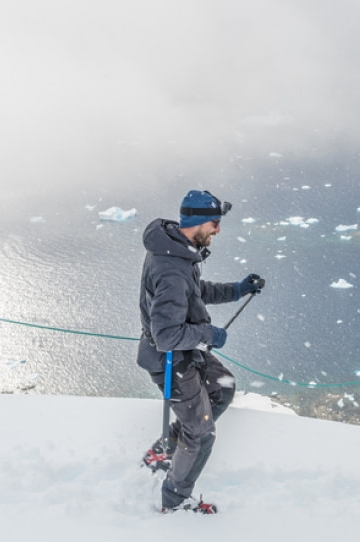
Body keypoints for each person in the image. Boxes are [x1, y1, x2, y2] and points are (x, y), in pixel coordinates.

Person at [136, 189, 265, 514]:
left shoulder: (178, 251)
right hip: (171, 360)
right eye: (214, 224)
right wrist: (208, 333)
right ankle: (174, 500)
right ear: (197, 223)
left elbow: (195, 293)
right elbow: (165, 335)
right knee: (203, 434)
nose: (218, 231)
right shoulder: (172, 268)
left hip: (183, 354)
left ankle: (166, 449)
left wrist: (238, 290)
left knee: (223, 387)